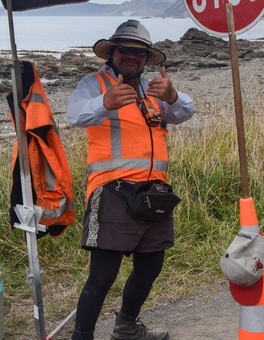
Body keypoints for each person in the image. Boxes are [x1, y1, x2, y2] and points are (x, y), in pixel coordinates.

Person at [67, 19, 194, 340]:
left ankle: (126, 327)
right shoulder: (94, 83)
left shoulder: (154, 89)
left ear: (147, 58)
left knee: (150, 268)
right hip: (112, 191)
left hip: (156, 193)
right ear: (112, 53)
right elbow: (74, 115)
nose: (132, 57)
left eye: (139, 53)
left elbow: (183, 113)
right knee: (102, 277)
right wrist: (105, 102)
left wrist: (174, 95)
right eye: (125, 50)